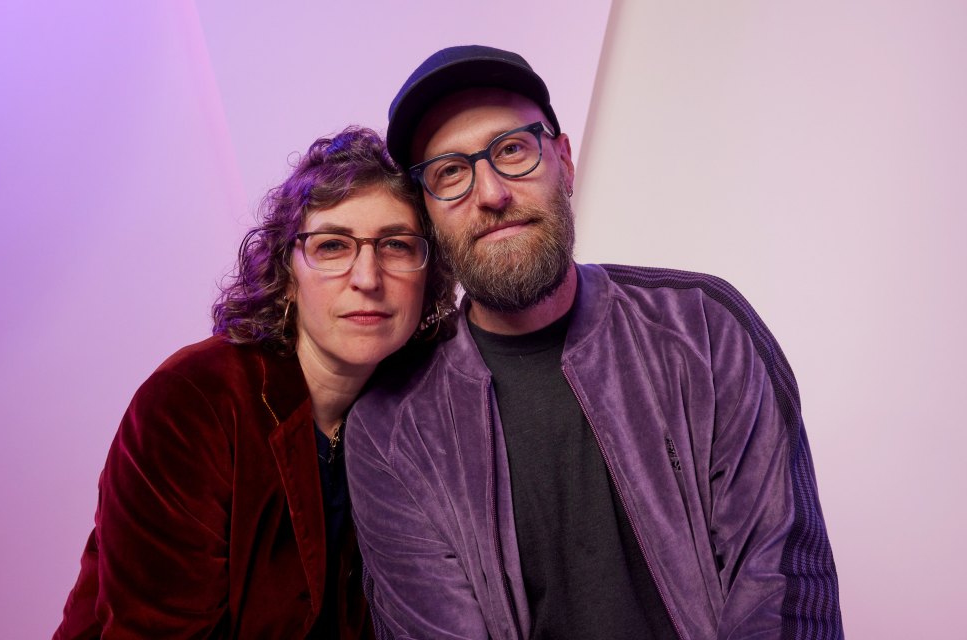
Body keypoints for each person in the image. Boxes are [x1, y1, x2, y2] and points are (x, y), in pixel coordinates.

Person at [346, 46, 843, 639]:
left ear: (564, 160)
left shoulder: (705, 330)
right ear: (427, 212)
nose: (491, 193)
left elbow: (785, 579)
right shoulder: (392, 432)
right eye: (450, 171)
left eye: (512, 150)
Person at [54, 127, 455, 638]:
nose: (368, 277)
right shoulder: (192, 401)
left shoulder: (415, 413)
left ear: (428, 273)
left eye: (395, 245)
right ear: (288, 274)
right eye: (332, 246)